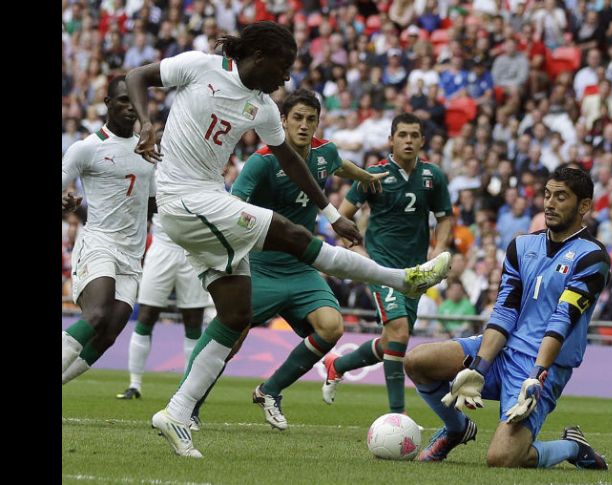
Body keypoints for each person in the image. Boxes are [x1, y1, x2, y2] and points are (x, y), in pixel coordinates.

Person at [125, 22, 450, 458]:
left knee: (236, 315)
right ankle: (402, 279)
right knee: (290, 232)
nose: (287, 77)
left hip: (205, 202)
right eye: (284, 67)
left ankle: (177, 413)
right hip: (183, 199)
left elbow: (294, 164)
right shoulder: (198, 66)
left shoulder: (261, 106)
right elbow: (136, 76)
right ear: (259, 56)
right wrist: (146, 123)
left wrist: (332, 215)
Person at [193, 89, 390, 431]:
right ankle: (188, 405)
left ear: (317, 123)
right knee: (230, 338)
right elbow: (234, 203)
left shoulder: (324, 153)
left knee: (332, 326)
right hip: (260, 268)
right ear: (282, 121)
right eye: (297, 118)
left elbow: (339, 165)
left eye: (310, 119)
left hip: (300, 268)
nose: (303, 125)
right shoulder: (263, 161)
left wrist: (365, 177)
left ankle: (270, 391)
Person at [404, 167, 611, 470]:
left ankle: (572, 447)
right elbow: (504, 312)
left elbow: (562, 320)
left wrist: (537, 375)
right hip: (503, 351)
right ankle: (457, 428)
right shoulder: (521, 246)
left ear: (584, 206)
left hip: (542, 365)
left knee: (502, 459)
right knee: (417, 361)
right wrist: (479, 367)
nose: (550, 203)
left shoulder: (592, 257)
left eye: (561, 197)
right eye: (547, 195)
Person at [322, 112, 453, 417]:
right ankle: (398, 416)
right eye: (402, 135)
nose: (408, 140)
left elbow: (445, 218)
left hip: (416, 273)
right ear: (391, 140)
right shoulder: (373, 175)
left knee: (391, 341)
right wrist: (359, 253)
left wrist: (439, 250)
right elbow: (342, 217)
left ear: (422, 140)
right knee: (400, 332)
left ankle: (337, 364)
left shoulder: (432, 176)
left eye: (414, 135)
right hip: (382, 267)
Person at [61, 76, 157, 384]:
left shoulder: (148, 149)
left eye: (134, 102)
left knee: (108, 333)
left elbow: (153, 204)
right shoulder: (86, 148)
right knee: (97, 314)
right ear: (108, 104)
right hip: (99, 242)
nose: (130, 107)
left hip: (132, 254)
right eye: (123, 100)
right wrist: (65, 203)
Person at [114, 212, 211, 407]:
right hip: (162, 246)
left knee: (193, 320)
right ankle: (134, 384)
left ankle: (188, 388)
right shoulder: (156, 188)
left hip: (194, 248)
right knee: (147, 315)